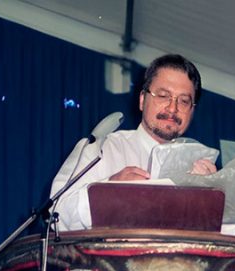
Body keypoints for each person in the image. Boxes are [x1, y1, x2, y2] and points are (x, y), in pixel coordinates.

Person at [49, 54, 217, 231]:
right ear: (142, 100)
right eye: (163, 96)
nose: (172, 108)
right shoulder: (101, 148)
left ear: (192, 110)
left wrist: (212, 201)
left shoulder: (201, 169)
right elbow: (56, 213)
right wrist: (110, 192)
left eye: (183, 101)